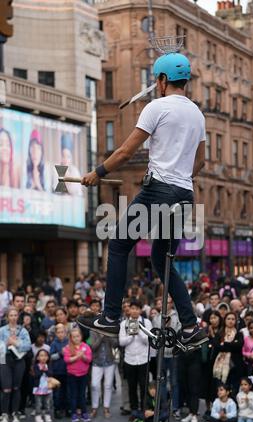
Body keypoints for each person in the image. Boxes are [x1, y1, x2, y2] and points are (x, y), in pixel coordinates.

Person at [77, 51, 207, 351]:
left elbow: (124, 151)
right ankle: (190, 326)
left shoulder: (156, 107)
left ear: (162, 80)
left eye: (156, 79)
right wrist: (179, 177)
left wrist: (97, 173)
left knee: (119, 245)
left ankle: (110, 317)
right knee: (163, 261)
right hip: (184, 194)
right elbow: (200, 161)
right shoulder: (197, 114)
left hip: (158, 190)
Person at [119, 300, 152, 420]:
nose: (134, 311)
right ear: (129, 310)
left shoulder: (147, 322)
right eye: (132, 308)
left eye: (136, 308)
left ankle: (145, 409)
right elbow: (121, 342)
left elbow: (149, 340)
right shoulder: (124, 323)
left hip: (143, 359)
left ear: (140, 310)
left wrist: (139, 331)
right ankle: (134, 410)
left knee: (144, 386)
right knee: (131, 387)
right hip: (130, 360)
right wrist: (131, 335)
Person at [0, 307, 31, 422]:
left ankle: (15, 412)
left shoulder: (23, 331)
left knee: (16, 387)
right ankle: (4, 413)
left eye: (15, 315)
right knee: (6, 388)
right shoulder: (2, 330)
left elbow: (27, 346)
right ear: (7, 317)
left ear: (18, 317)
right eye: (11, 315)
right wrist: (6, 343)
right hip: (4, 359)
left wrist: (16, 343)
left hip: (19, 360)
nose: (13, 317)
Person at [63, 328, 92, 422]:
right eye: (74, 337)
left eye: (78, 336)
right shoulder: (68, 347)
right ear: (71, 338)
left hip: (83, 375)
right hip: (72, 375)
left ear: (81, 336)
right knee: (73, 394)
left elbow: (89, 359)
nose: (76, 338)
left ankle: (84, 412)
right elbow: (67, 360)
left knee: (82, 394)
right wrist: (77, 356)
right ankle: (74, 413)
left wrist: (82, 356)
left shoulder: (85, 346)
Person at [212, 312, 244, 396]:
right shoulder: (219, 334)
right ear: (225, 320)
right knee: (221, 387)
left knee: (233, 389)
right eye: (228, 319)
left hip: (235, 365)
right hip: (220, 366)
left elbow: (239, 346)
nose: (230, 321)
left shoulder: (239, 334)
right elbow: (217, 346)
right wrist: (231, 345)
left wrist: (225, 344)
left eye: (233, 319)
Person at [90, 331, 118, 419]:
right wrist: (101, 337)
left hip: (109, 361)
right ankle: (94, 407)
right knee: (94, 385)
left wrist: (109, 336)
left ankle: (106, 407)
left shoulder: (109, 330)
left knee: (108, 385)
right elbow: (93, 347)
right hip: (97, 362)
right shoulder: (93, 331)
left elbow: (115, 344)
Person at [50, 323, 69, 419]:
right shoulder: (54, 343)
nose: (61, 334)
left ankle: (66, 409)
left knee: (67, 391)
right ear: (56, 334)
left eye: (62, 332)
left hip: (67, 370)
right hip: (57, 371)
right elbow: (51, 357)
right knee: (57, 392)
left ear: (65, 333)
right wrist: (60, 353)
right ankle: (57, 409)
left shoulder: (69, 342)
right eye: (59, 332)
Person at [32, 349, 53, 422]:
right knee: (38, 403)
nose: (43, 357)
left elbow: (51, 374)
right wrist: (42, 370)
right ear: (37, 358)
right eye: (41, 355)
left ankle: (47, 414)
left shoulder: (49, 365)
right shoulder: (36, 366)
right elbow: (36, 375)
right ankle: (38, 415)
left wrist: (46, 370)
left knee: (47, 402)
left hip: (47, 387)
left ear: (48, 357)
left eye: (45, 355)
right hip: (38, 388)